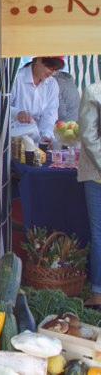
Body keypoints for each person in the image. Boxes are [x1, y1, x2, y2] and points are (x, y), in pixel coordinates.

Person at [0, 57, 64, 142]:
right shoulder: (15, 78)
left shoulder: (52, 84)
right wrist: (17, 113)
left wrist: (46, 136)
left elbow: (50, 114)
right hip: (5, 139)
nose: (52, 73)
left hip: (33, 139)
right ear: (38, 60)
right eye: (50, 68)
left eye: (56, 70)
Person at [79, 81, 101, 307]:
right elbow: (88, 135)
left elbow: (88, 135)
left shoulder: (94, 91)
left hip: (96, 172)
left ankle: (98, 293)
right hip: (96, 174)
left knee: (99, 234)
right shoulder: (94, 92)